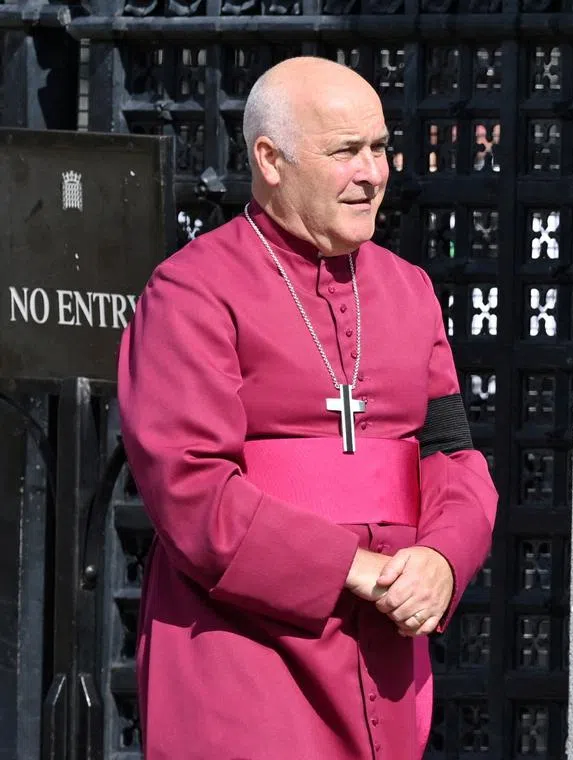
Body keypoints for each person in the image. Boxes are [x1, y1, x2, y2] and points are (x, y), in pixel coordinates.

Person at [118, 56, 497, 760]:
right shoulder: (192, 292)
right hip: (243, 649)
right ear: (270, 159)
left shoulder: (409, 290)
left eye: (380, 148)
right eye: (346, 152)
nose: (374, 173)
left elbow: (451, 455)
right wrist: (356, 569)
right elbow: (191, 491)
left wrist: (442, 561)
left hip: (385, 650)